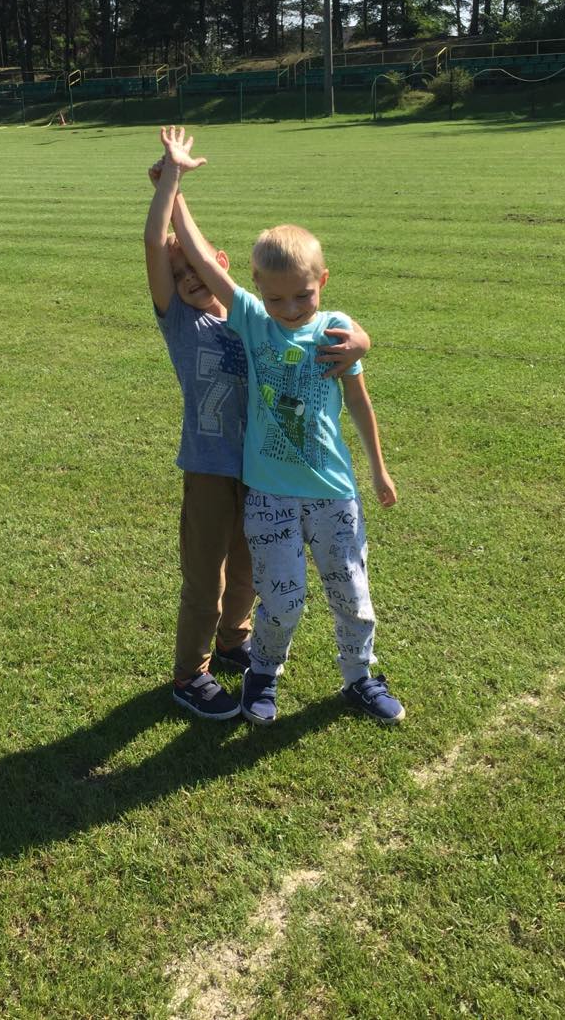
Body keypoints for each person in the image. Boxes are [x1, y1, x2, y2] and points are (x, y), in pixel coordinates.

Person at [160, 125, 405, 727]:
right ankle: (262, 677)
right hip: (267, 492)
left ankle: (360, 678)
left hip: (334, 491)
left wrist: (379, 470)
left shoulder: (337, 330)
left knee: (352, 593)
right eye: (276, 299)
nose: (290, 309)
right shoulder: (251, 320)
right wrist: (173, 184)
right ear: (257, 292)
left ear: (323, 283)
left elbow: (360, 402)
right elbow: (199, 257)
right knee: (282, 599)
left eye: (302, 296)